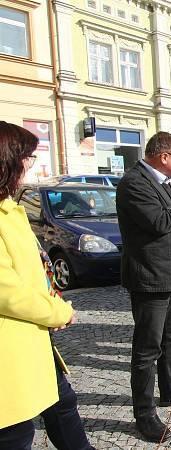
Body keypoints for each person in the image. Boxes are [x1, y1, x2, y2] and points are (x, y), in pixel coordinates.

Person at [0, 122, 93, 448]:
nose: (32, 163)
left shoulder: (10, 208)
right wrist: (57, 311)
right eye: (27, 156)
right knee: (16, 434)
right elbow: (6, 291)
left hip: (32, 339)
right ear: (8, 160)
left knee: (63, 403)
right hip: (10, 347)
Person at [116, 131, 171, 442]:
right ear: (163, 156)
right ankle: (145, 413)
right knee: (147, 349)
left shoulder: (164, 181)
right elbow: (159, 222)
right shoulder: (135, 182)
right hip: (151, 279)